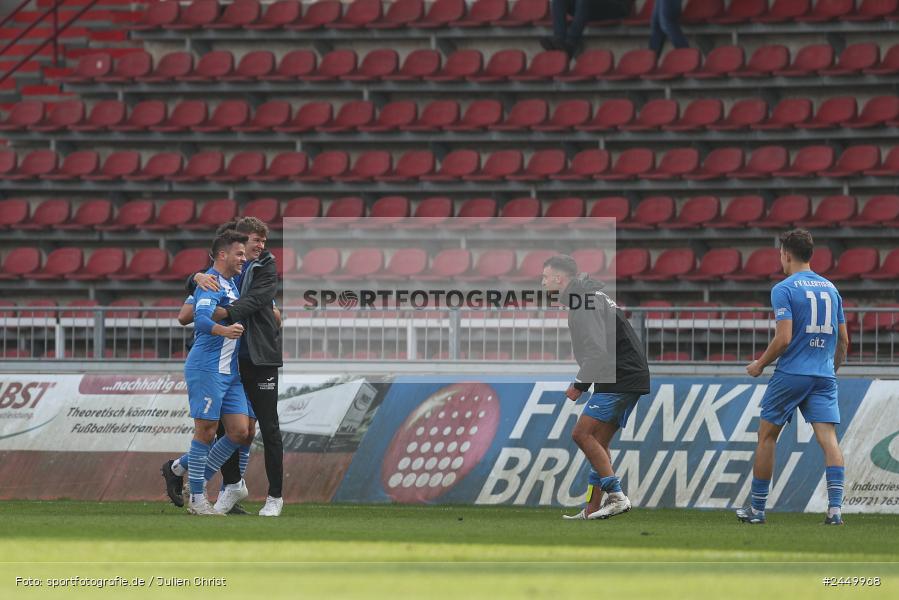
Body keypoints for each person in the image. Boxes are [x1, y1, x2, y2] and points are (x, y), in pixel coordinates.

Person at [165, 217, 284, 517]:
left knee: (243, 431)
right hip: (212, 364)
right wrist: (197, 279)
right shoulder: (213, 280)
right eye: (247, 244)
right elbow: (189, 317)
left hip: (242, 364)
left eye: (259, 242)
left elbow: (262, 306)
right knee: (208, 431)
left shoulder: (242, 277)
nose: (252, 249)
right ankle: (203, 493)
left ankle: (186, 472)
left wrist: (265, 313)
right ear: (227, 252)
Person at [737, 229, 849, 526]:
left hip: (791, 374)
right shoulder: (831, 288)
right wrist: (830, 369)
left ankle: (757, 510)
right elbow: (844, 340)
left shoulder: (784, 288)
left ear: (786, 254)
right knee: (829, 440)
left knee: (767, 436)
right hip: (824, 374)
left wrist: (760, 364)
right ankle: (835, 510)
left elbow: (784, 338)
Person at [542, 255, 651, 520]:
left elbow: (597, 350)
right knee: (598, 443)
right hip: (623, 374)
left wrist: (579, 384)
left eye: (545, 277)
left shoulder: (584, 303)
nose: (542, 283)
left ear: (559, 278)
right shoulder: (589, 297)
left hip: (619, 376)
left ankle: (616, 496)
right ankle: (592, 509)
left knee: (581, 434)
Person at [542, 0, 633, 58]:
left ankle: (571, 44)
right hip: (591, 5)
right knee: (559, 1)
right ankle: (559, 40)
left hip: (618, 5)